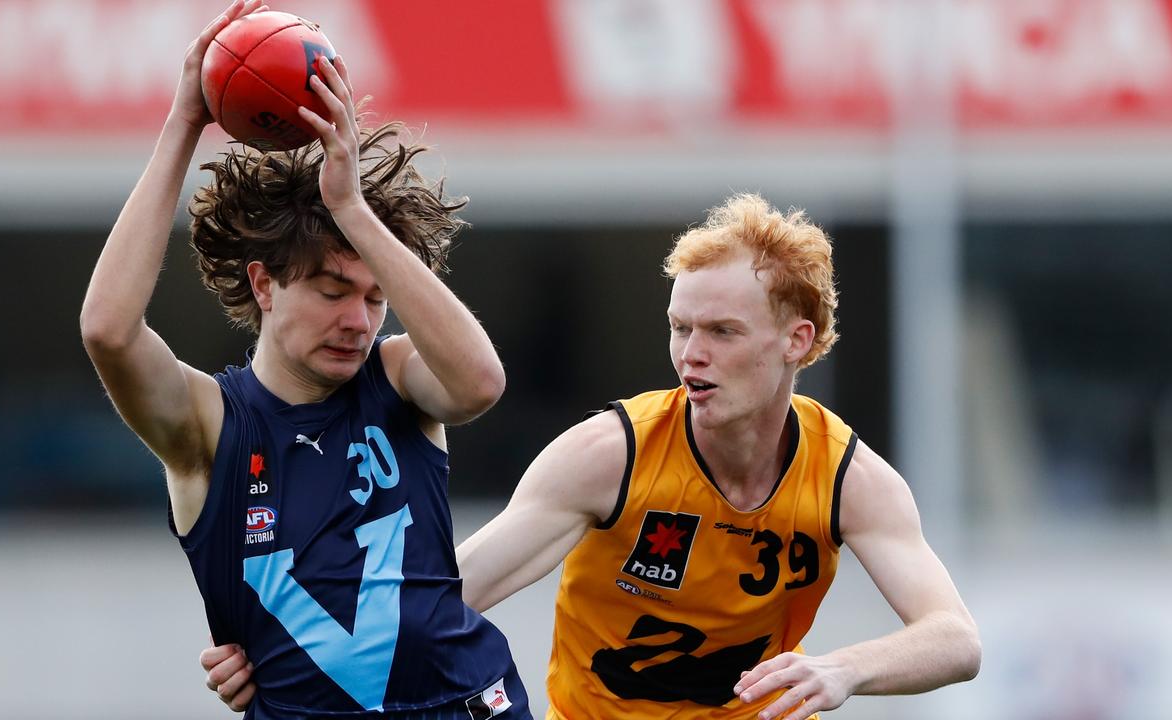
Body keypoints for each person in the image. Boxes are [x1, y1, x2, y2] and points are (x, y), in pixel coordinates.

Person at [204, 192, 980, 719]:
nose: (690, 354)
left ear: (796, 341)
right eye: (681, 328)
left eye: (722, 333)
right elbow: (438, 599)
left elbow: (955, 639)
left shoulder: (849, 478)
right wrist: (279, 658)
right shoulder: (612, 455)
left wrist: (842, 670)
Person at [80, 1, 530, 717]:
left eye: (375, 296)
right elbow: (108, 330)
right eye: (331, 291)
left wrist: (353, 211)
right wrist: (183, 125)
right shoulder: (208, 426)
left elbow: (480, 382)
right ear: (264, 285)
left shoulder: (400, 379)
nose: (358, 321)